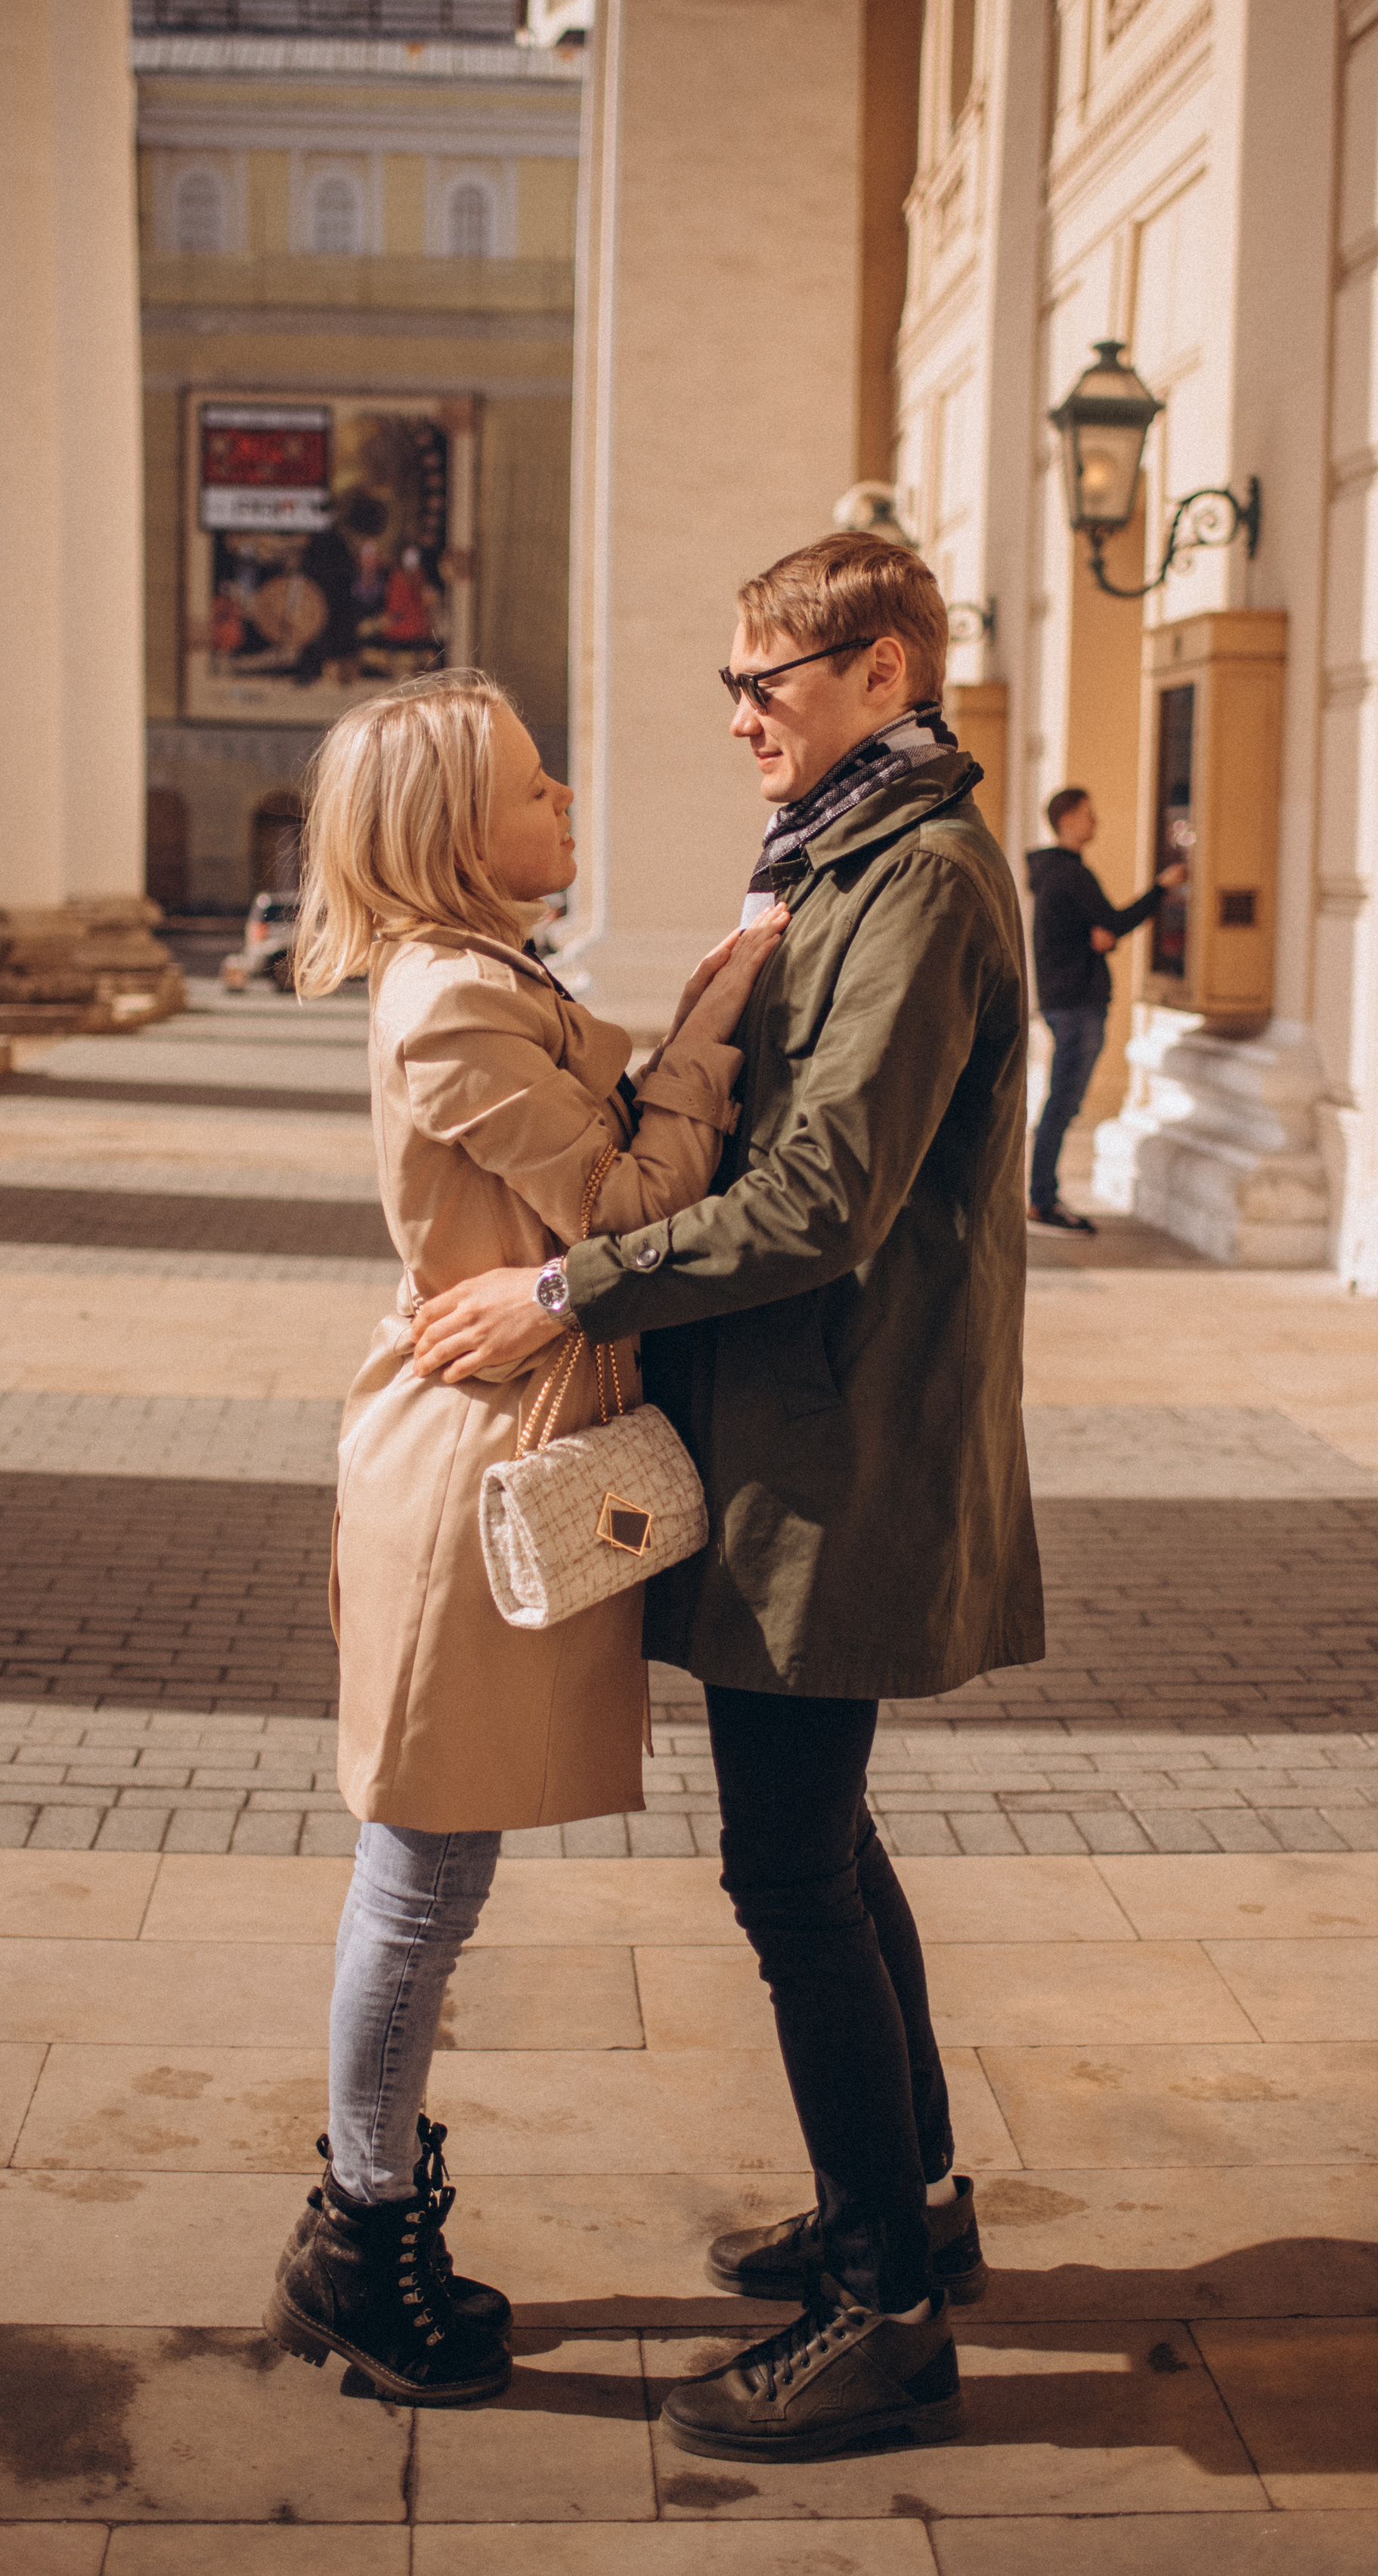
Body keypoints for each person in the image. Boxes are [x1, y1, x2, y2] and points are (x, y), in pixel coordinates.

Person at [410, 532, 1044, 2464]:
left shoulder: (916, 878)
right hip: (794, 1426)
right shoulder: (840, 859)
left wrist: (561, 1284)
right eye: (732, 681)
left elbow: (821, 1195)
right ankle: (910, 2204)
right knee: (825, 1847)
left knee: (783, 1866)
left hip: (836, 1443)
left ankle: (879, 2313)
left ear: (877, 671)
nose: (737, 713)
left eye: (761, 677)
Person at [261, 670, 786, 2411]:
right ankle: (356, 2227)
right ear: (450, 829)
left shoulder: (489, 975)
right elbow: (632, 1202)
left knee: (434, 1868)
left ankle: (366, 2204)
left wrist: (683, 1033)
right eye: (535, 782)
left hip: (515, 1418)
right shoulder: (449, 1006)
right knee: (418, 1870)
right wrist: (710, 1021)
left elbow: (607, 1162)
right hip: (470, 1460)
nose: (565, 798)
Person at [1024, 787, 1186, 1235]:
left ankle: (1040, 1194)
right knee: (1062, 1104)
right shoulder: (1071, 875)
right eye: (1088, 815)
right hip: (1077, 1003)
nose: (1095, 822)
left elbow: (1098, 930)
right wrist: (1161, 888)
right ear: (1070, 820)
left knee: (1060, 1102)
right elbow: (1114, 923)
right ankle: (1041, 1197)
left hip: (1064, 1001)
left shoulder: (1053, 874)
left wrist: (1099, 933)